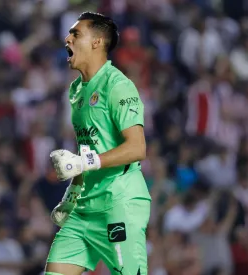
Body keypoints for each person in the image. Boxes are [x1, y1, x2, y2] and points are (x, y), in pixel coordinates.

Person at [45, 12, 151, 275]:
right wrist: (70, 198)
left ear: (97, 42)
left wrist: (82, 161)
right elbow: (88, 150)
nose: (67, 38)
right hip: (83, 209)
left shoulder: (118, 86)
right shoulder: (76, 91)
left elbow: (137, 148)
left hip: (118, 204)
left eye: (76, 34)